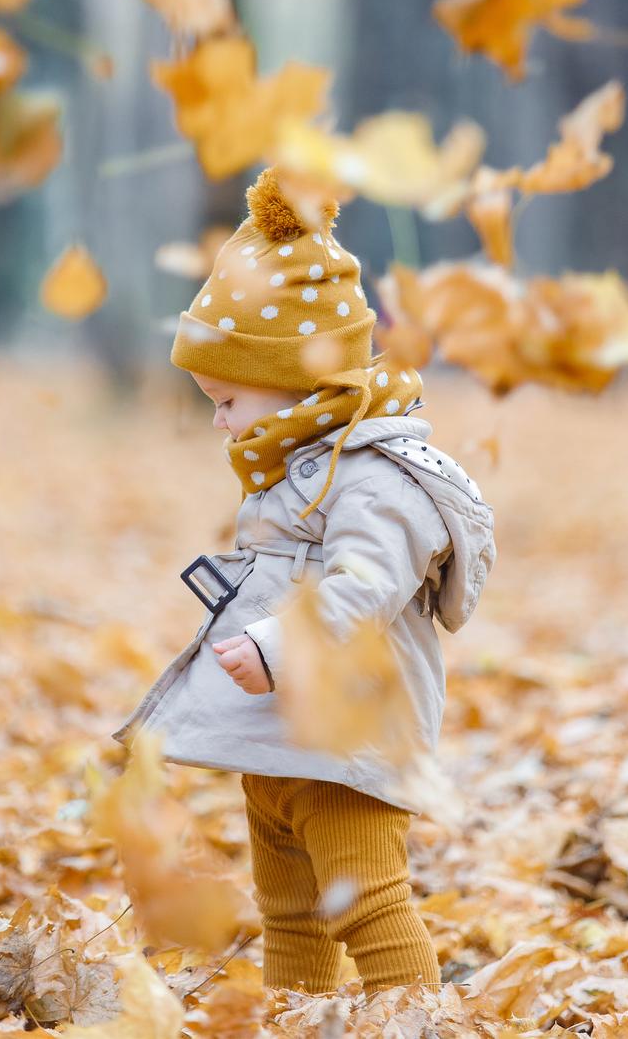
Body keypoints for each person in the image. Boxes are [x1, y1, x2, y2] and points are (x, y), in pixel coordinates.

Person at [110, 165, 494, 998]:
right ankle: (298, 1018)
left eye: (226, 398)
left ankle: (411, 1019)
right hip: (279, 736)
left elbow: (369, 585)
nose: (217, 419)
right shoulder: (297, 469)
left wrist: (277, 646)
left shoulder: (373, 476)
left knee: (368, 902)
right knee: (289, 907)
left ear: (293, 383)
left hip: (351, 735)